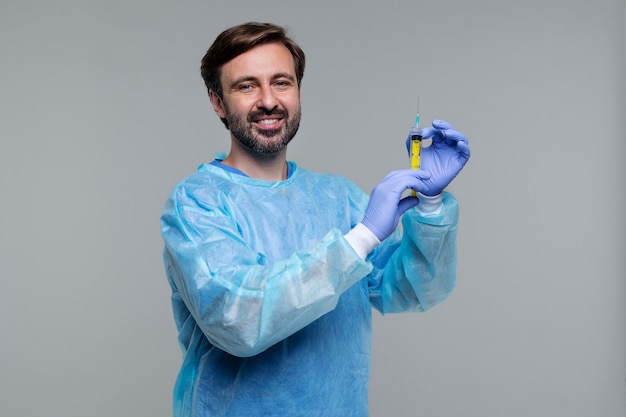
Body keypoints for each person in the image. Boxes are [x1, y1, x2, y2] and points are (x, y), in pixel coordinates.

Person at [160, 22, 470, 417]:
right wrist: (361, 238)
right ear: (218, 102)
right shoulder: (195, 204)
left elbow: (412, 291)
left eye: (282, 82)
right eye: (247, 86)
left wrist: (429, 203)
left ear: (298, 91)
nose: (268, 101)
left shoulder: (337, 198)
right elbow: (236, 318)